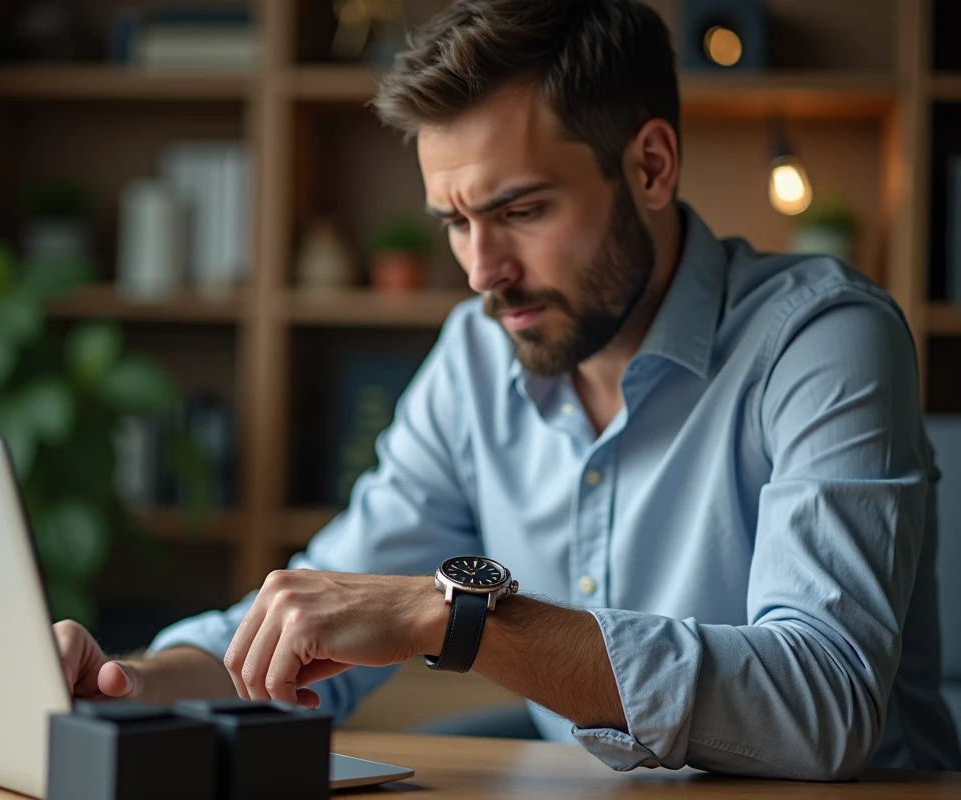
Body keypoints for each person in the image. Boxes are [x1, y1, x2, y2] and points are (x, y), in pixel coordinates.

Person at [54, 0, 961, 779]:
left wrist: (457, 620)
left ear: (650, 166)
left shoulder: (824, 339)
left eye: (521, 211)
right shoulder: (475, 357)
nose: (483, 272)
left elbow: (824, 700)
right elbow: (306, 626)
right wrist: (124, 687)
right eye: (455, 222)